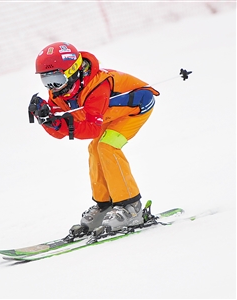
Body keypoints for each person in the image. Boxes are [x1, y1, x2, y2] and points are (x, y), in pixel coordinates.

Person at [29, 42, 159, 234]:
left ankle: (132, 207)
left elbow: (91, 128)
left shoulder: (97, 86)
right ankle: (105, 205)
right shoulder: (61, 91)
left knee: (107, 147)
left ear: (72, 71)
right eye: (46, 81)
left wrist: (59, 124)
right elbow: (61, 131)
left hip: (135, 109)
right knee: (94, 149)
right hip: (108, 114)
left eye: (56, 79)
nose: (52, 87)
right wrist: (46, 120)